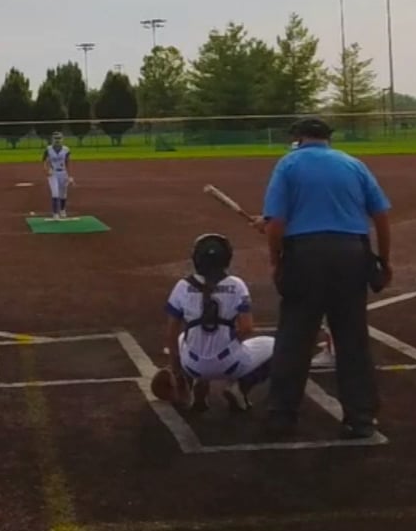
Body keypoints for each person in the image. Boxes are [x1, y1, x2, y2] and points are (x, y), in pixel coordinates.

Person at [254, 117, 392, 442]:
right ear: (328, 138)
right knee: (352, 338)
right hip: (351, 254)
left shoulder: (288, 165)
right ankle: (360, 419)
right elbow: (381, 215)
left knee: (294, 336)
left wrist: (275, 260)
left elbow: (276, 223)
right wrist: (383, 261)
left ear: (298, 138)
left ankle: (282, 416)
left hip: (305, 255)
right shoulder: (353, 164)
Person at [150, 233, 275, 413]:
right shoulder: (237, 285)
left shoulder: (182, 286)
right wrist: (229, 344)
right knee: (278, 347)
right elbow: (247, 328)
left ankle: (193, 384)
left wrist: (177, 371)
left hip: (192, 366)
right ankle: (241, 387)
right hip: (230, 365)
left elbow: (170, 334)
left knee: (183, 337)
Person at [43, 132, 73, 219]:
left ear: (62, 139)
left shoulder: (66, 150)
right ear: (52, 139)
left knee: (63, 194)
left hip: (63, 173)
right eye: (55, 138)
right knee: (55, 193)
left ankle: (62, 210)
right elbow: (45, 161)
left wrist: (70, 175)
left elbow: (68, 162)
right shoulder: (48, 149)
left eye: (59, 138)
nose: (57, 140)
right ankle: (55, 213)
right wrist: (47, 169)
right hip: (53, 173)